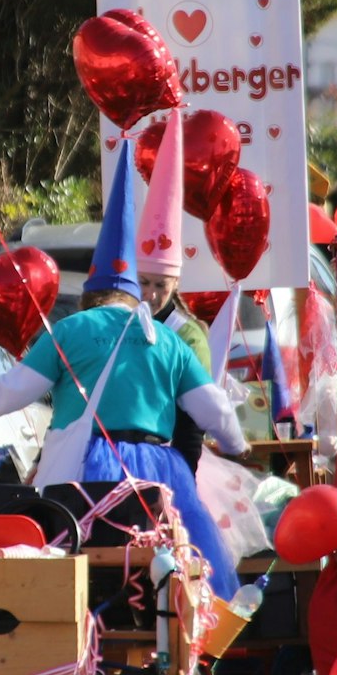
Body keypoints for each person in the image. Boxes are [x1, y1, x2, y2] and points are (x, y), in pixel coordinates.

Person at [0, 140, 250, 596]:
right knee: (162, 569)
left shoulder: (73, 329)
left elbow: (8, 393)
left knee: (72, 565)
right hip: (157, 473)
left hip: (84, 466)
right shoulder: (170, 339)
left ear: (93, 292)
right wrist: (239, 443)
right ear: (134, 290)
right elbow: (212, 410)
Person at [134, 108, 213, 473]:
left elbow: (195, 413)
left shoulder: (188, 334)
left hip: (172, 457)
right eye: (143, 283)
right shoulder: (122, 321)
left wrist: (185, 473)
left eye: (159, 285)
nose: (149, 294)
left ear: (175, 283)